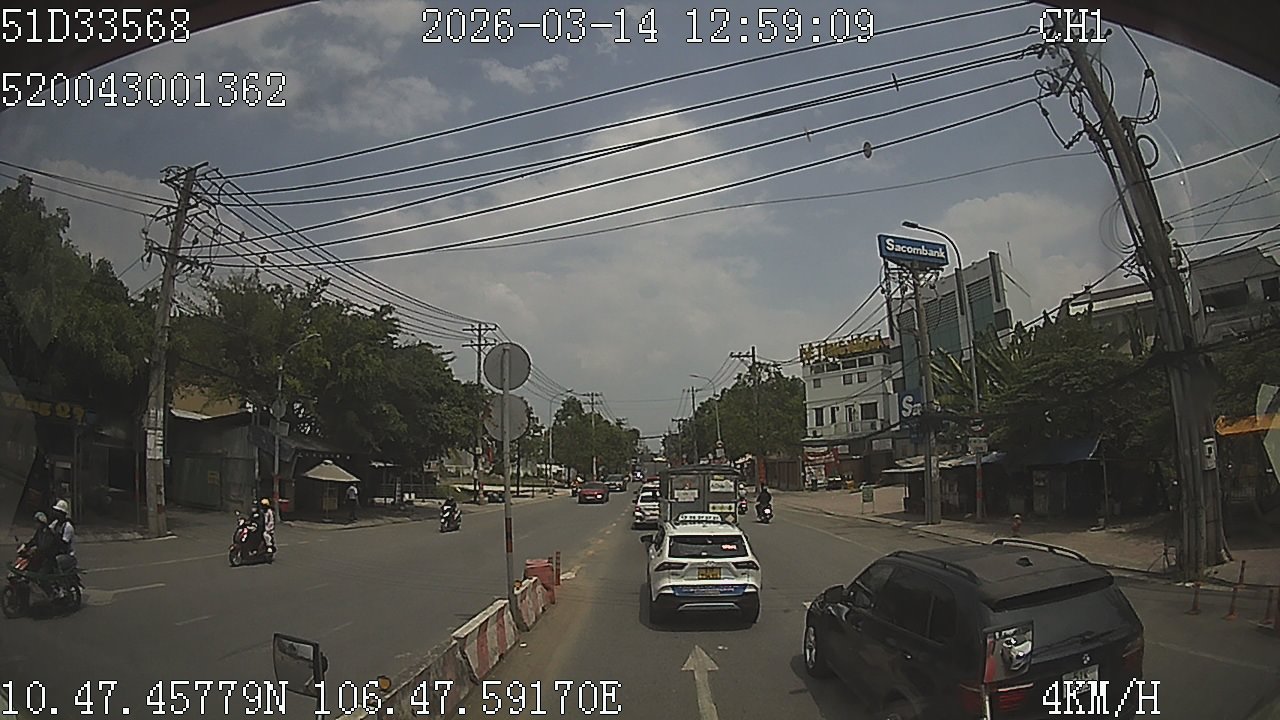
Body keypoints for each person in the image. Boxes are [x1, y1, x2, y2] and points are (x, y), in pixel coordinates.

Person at [48, 499, 76, 598]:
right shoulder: (56, 523)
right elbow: (47, 531)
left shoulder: (68, 527)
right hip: (56, 551)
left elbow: (64, 545)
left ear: (63, 514)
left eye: (59, 512)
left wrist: (54, 538)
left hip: (67, 555)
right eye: (56, 511)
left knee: (55, 561)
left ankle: (61, 588)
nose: (56, 514)